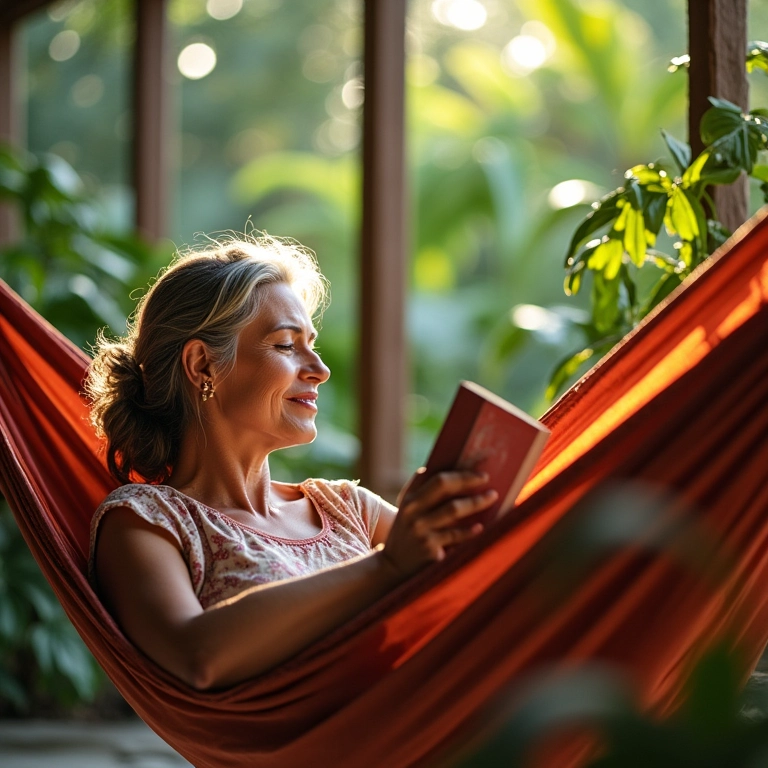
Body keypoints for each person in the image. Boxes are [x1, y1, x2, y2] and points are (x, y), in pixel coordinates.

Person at [86, 234, 497, 691]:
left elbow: (482, 590)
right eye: (285, 346)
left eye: (312, 343)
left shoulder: (348, 509)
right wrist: (386, 568)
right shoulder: (147, 521)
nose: (319, 369)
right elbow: (194, 656)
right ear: (203, 365)